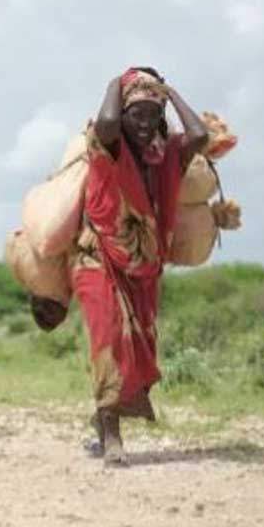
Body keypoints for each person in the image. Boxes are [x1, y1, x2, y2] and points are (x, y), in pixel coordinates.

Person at [57, 67, 210, 466]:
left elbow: (199, 135)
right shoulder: (106, 146)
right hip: (97, 258)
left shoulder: (166, 155)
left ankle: (103, 418)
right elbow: (107, 120)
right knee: (109, 340)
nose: (144, 125)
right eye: (135, 115)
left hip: (144, 267)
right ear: (122, 116)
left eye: (151, 116)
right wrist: (116, 82)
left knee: (136, 349)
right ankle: (111, 436)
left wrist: (168, 92)